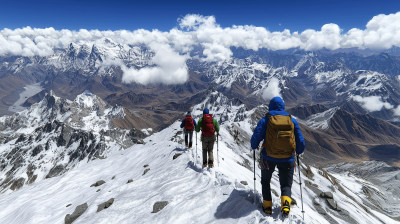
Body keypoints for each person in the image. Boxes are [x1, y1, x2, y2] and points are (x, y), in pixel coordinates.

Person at [251, 96, 305, 216]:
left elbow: (256, 137)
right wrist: (298, 151)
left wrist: (254, 146)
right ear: (283, 106)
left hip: (268, 158)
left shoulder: (266, 119)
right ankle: (285, 205)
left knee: (265, 181)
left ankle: (267, 206)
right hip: (288, 158)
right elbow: (301, 142)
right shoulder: (292, 120)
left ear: (270, 106)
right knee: (286, 184)